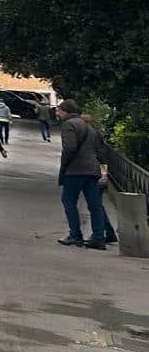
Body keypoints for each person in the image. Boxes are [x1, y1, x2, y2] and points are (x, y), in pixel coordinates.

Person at [55, 100, 114, 250]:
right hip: (93, 171)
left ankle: (75, 235)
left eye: (59, 110)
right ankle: (99, 238)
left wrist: (64, 166)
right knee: (95, 205)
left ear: (65, 111)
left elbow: (69, 147)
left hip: (75, 170)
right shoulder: (90, 127)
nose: (57, 113)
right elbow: (100, 152)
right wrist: (103, 171)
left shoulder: (69, 125)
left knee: (69, 200)